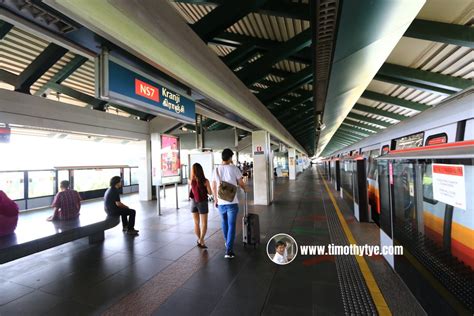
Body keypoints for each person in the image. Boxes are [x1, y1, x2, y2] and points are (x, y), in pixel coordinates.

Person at [212, 148, 247, 259]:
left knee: (224, 222)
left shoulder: (216, 169)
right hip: (232, 201)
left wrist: (215, 199)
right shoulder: (234, 168)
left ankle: (228, 242)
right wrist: (245, 189)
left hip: (221, 201)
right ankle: (229, 250)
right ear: (230, 157)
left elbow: (213, 185)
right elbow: (241, 182)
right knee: (231, 225)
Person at [189, 163, 212, 249]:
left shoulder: (191, 180)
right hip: (202, 203)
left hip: (193, 203)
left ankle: (199, 239)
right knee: (204, 223)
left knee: (196, 223)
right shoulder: (205, 181)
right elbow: (210, 193)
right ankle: (201, 240)